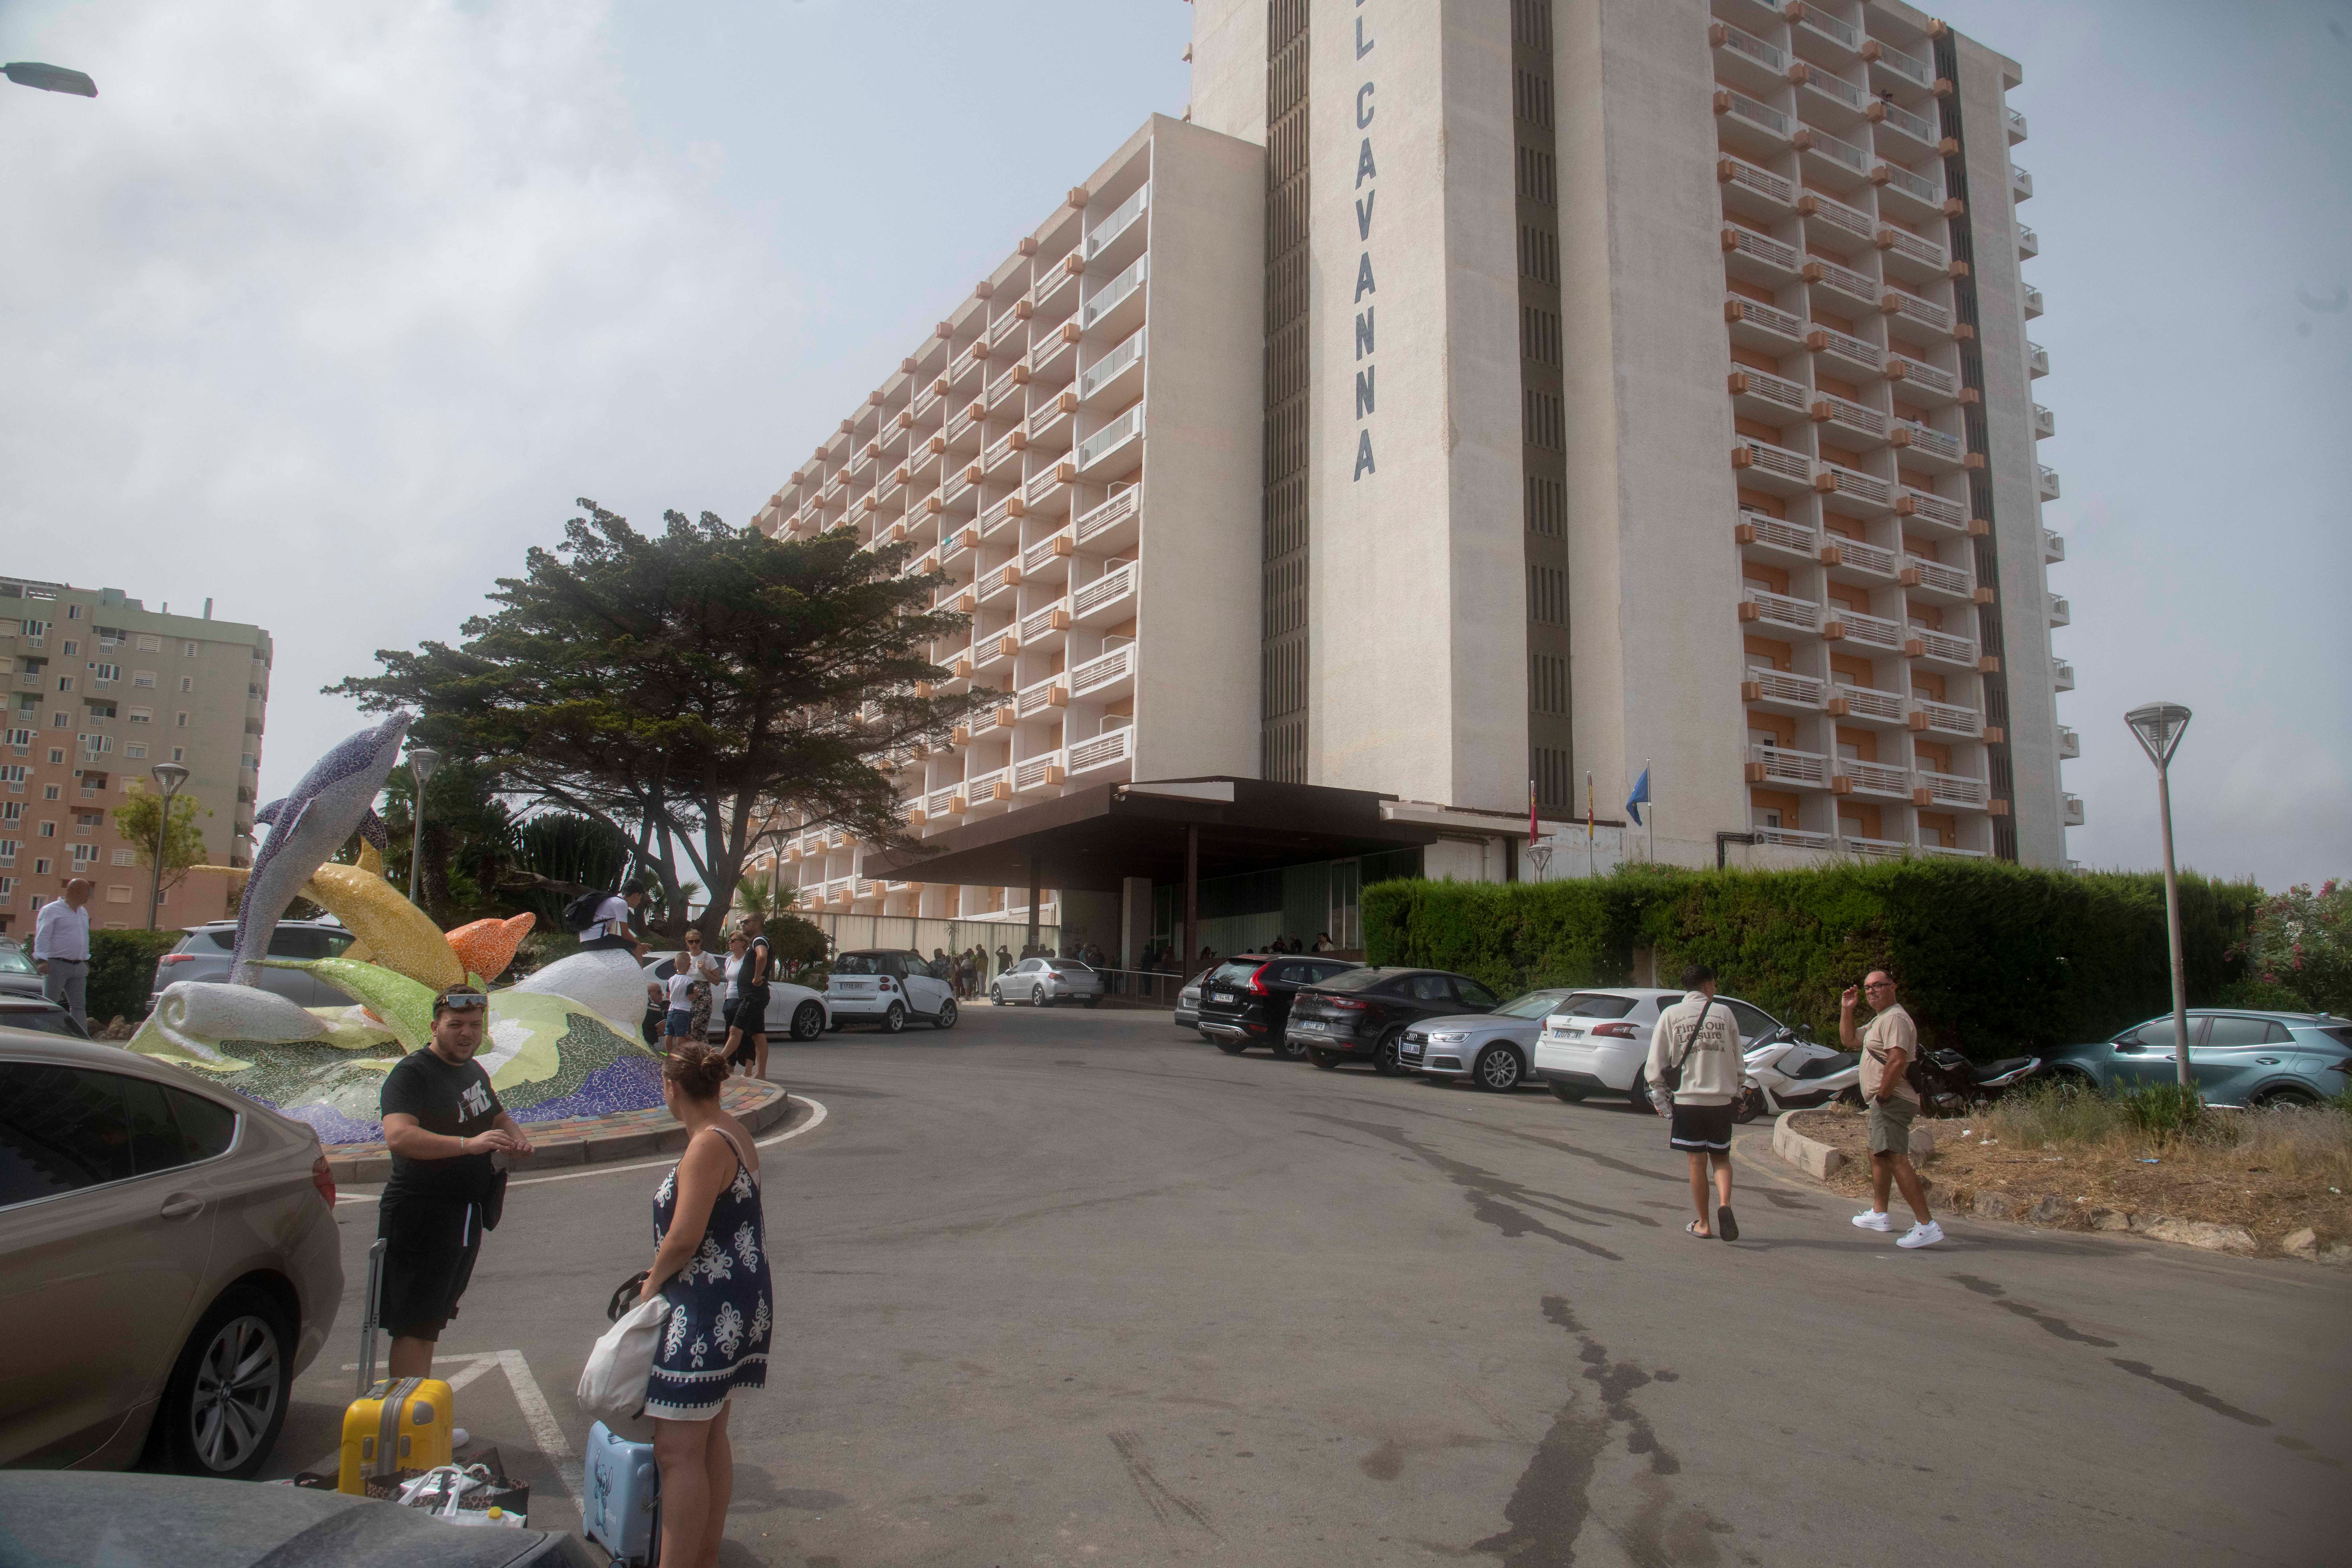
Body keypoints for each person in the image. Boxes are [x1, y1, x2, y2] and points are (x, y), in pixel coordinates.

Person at [633, 1044, 771, 1568]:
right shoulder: (732, 1128)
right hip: (738, 1297)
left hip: (706, 1305)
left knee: (677, 1447)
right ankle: (703, 1555)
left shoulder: (706, 1146)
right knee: (710, 1430)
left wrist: (652, 1284)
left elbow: (683, 1238)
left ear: (672, 1088)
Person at [378, 986, 534, 1379]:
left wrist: (515, 1137)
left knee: (435, 1319)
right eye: (456, 1025)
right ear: (434, 1027)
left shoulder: (472, 1069)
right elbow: (399, 1136)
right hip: (422, 1213)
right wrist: (468, 1145)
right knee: (415, 1324)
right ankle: (408, 1425)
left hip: (465, 1213)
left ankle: (421, 1418)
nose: (467, 1034)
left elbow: (497, 1116)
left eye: (475, 1026)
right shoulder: (412, 1074)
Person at [1643, 963, 1751, 1242]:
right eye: (1714, 985)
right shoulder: (1725, 1013)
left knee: (1696, 1162)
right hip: (1721, 1100)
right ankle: (1725, 1204)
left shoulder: (1671, 1014)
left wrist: (1658, 1091)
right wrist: (1739, 1089)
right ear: (1707, 986)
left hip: (1688, 1100)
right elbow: (1739, 1058)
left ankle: (1704, 1223)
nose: (1715, 989)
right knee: (1722, 1159)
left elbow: (1657, 1059)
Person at [1845, 969, 1943, 1248]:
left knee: (1895, 1157)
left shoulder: (1896, 1018)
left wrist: (1883, 1097)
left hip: (1892, 1098)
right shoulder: (1880, 1019)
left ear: (1893, 987)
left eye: (1879, 985)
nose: (1872, 991)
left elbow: (1898, 1061)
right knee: (1877, 1153)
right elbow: (1850, 1039)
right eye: (1868, 988)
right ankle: (1880, 1213)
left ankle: (1927, 1225)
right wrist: (1847, 1009)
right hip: (1885, 1099)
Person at [32, 879, 94, 1030]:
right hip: (56, 965)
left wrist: (84, 960)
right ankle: (43, 1038)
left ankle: (82, 1041)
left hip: (78, 966)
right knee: (50, 1004)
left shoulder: (83, 912)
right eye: (88, 892)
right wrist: (42, 960)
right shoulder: (51, 910)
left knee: (79, 1006)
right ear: (75, 891)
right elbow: (43, 936)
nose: (90, 896)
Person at [724, 914, 773, 1081]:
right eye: (742, 922)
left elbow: (763, 956)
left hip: (753, 997)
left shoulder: (759, 940)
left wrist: (757, 976)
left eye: (747, 922)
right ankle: (761, 1074)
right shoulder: (755, 941)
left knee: (735, 1030)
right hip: (753, 996)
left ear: (757, 924)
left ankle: (715, 1063)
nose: (743, 925)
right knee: (758, 1035)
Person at [579, 884, 652, 958]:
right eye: (640, 899)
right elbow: (625, 934)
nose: (639, 902)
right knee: (637, 948)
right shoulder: (622, 904)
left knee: (624, 943)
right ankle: (639, 970)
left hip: (585, 940)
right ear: (636, 895)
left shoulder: (613, 899)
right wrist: (641, 945)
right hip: (596, 939)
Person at [719, 931, 751, 1072]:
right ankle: (730, 1066)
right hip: (730, 1001)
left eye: (733, 940)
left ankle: (748, 1068)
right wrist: (726, 999)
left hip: (743, 1000)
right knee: (729, 1033)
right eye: (729, 940)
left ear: (743, 943)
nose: (730, 943)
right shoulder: (729, 960)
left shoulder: (748, 959)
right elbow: (728, 981)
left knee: (742, 1034)